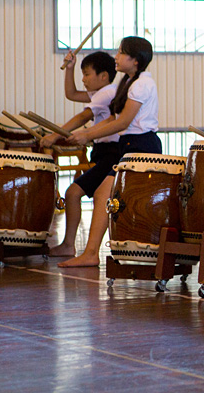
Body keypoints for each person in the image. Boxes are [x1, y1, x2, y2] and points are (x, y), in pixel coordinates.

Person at [58, 37, 162, 268]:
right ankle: (90, 253)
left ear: (136, 60)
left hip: (141, 147)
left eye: (122, 53)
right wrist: (88, 134)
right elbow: (115, 117)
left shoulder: (142, 84)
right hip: (130, 146)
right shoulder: (129, 82)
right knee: (101, 195)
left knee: (104, 195)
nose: (116, 56)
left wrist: (87, 135)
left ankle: (91, 253)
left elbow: (123, 122)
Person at [40, 51, 122, 258]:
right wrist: (69, 68)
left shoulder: (107, 92)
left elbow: (83, 116)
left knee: (73, 193)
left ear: (103, 76)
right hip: (105, 153)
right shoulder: (104, 92)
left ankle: (70, 245)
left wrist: (54, 136)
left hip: (112, 154)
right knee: (79, 194)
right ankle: (71, 245)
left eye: (86, 74)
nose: (83, 79)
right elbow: (71, 94)